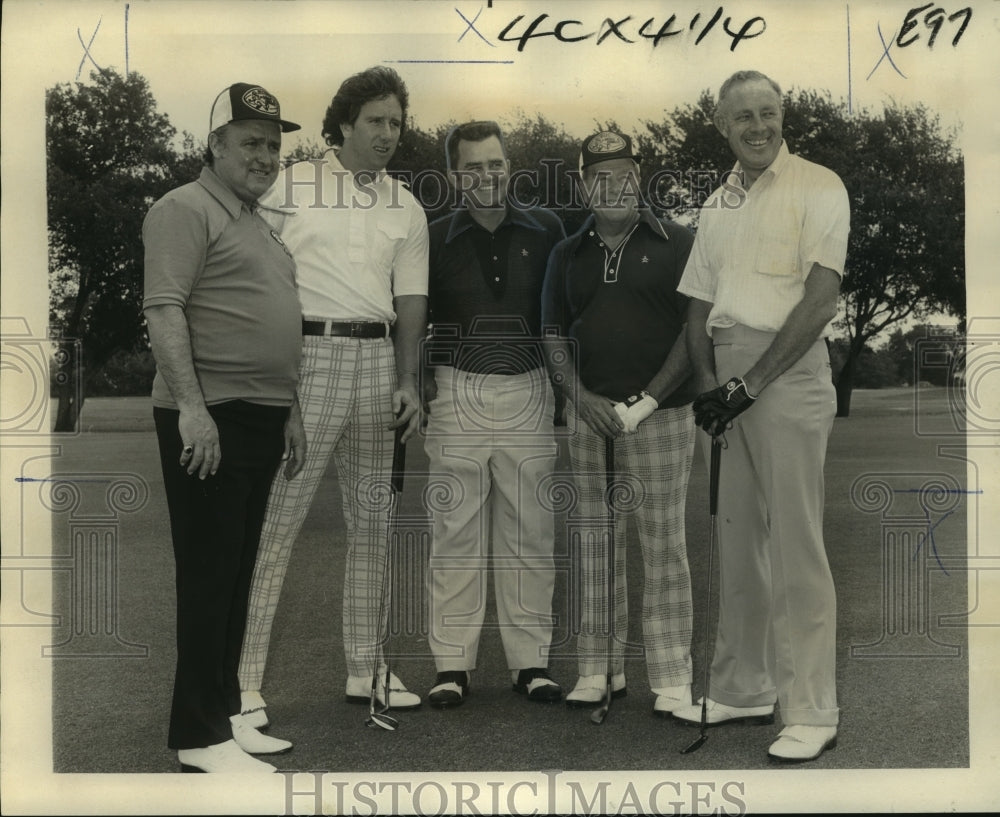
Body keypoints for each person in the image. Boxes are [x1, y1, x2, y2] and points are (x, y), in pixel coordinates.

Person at [236, 66, 429, 726]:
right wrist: (275, 380)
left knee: (374, 529)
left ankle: (366, 667)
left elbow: (411, 304)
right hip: (305, 359)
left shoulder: (406, 204)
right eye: (375, 120)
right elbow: (257, 283)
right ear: (344, 124)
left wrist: (408, 381)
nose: (387, 133)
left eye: (396, 122)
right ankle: (241, 682)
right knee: (274, 526)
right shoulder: (289, 185)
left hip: (378, 364)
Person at [671, 70, 849, 763]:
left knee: (797, 545)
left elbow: (821, 299)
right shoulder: (716, 203)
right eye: (741, 116)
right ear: (722, 126)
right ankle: (745, 686)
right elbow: (696, 307)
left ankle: (812, 709)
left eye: (767, 112)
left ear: (783, 116)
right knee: (737, 539)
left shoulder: (818, 184)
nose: (757, 126)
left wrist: (750, 383)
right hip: (729, 379)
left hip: (788, 372)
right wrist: (714, 386)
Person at [143, 83, 304, 773]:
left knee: (237, 573)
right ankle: (198, 734)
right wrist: (192, 408)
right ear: (214, 146)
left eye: (272, 144)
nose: (264, 155)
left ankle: (227, 717)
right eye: (250, 142)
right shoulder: (182, 207)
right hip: (213, 417)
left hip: (261, 417)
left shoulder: (257, 221)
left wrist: (290, 407)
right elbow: (164, 310)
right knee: (210, 576)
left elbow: (270, 324)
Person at [541, 131, 698, 717]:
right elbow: (553, 334)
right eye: (600, 176)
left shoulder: (678, 241)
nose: (613, 186)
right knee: (594, 544)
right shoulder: (566, 251)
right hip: (591, 417)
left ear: (640, 178)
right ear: (584, 185)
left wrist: (649, 400)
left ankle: (672, 676)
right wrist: (579, 399)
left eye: (624, 174)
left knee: (663, 545)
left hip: (662, 415)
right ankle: (597, 667)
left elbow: (692, 332)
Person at [422, 121, 566, 707]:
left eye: (497, 164)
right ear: (455, 175)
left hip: (530, 388)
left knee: (530, 529)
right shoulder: (431, 236)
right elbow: (415, 317)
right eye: (475, 167)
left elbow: (562, 314)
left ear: (510, 166)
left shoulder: (548, 227)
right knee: (455, 530)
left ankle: (530, 664)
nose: (488, 176)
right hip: (457, 388)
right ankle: (451, 667)